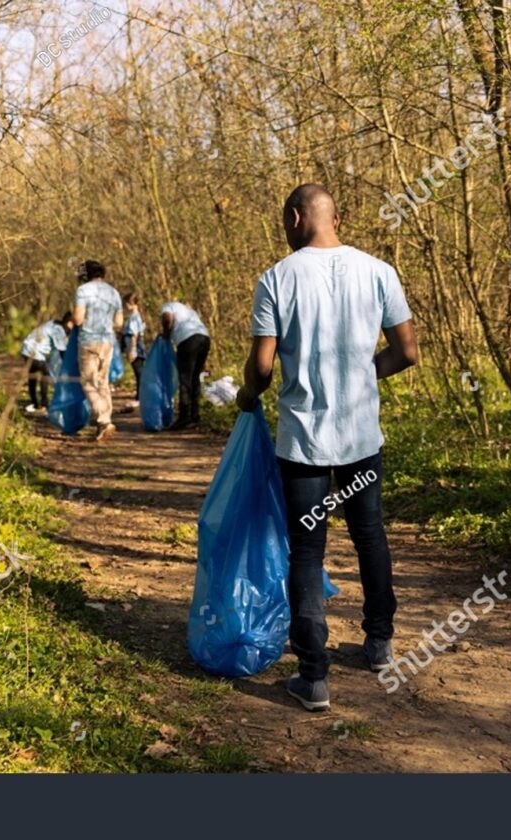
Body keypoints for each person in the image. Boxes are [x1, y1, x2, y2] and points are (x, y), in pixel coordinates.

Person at [236, 184, 418, 711]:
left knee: (307, 549)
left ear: (296, 218)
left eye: (284, 222)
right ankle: (379, 643)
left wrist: (247, 395)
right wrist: (361, 377)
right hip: (361, 436)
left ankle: (313, 676)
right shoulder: (379, 271)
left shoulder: (276, 279)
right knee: (369, 535)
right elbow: (407, 352)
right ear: (335, 218)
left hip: (304, 442)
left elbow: (263, 368)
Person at [72, 260, 123, 441]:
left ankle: (103, 420)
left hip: (88, 341)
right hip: (107, 341)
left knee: (88, 382)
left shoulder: (83, 291)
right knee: (102, 381)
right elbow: (119, 323)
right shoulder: (113, 292)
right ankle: (104, 423)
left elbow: (78, 319)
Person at [160, 301, 211, 430]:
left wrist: (165, 334)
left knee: (185, 379)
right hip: (204, 338)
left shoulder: (168, 306)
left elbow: (168, 318)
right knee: (195, 379)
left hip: (187, 340)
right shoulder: (189, 311)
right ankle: (195, 415)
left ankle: (184, 418)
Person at [19, 312, 73, 413]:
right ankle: (44, 403)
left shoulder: (52, 323)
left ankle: (35, 403)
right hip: (35, 352)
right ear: (69, 323)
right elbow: (62, 351)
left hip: (26, 349)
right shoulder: (58, 330)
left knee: (33, 376)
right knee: (45, 375)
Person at [122, 292, 147, 400]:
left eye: (126, 304)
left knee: (139, 371)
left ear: (131, 303)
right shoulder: (134, 316)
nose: (126, 306)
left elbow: (134, 335)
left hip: (135, 347)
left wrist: (132, 350)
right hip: (134, 346)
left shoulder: (134, 317)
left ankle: (141, 395)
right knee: (138, 371)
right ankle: (140, 394)